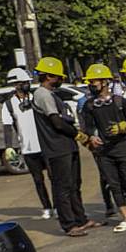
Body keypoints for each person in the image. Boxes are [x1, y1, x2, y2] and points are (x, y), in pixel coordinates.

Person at [32, 57, 99, 237]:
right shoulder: (42, 95)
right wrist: (79, 135)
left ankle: (81, 219)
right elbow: (57, 123)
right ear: (48, 76)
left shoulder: (51, 94)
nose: (61, 80)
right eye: (57, 77)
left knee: (74, 184)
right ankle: (69, 225)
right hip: (56, 148)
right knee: (62, 187)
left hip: (67, 146)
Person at [81, 64, 126, 233]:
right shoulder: (89, 106)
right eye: (90, 81)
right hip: (104, 153)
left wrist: (122, 127)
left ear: (105, 81)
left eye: (94, 81)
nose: (91, 84)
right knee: (114, 185)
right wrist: (91, 137)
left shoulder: (121, 102)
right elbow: (86, 128)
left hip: (124, 149)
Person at [1, 68, 54, 219]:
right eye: (23, 83)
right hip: (28, 148)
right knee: (38, 180)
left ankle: (58, 207)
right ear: (15, 85)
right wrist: (8, 147)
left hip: (45, 144)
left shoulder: (37, 98)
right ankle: (47, 207)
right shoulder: (8, 105)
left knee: (53, 177)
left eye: (27, 82)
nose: (26, 85)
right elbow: (7, 127)